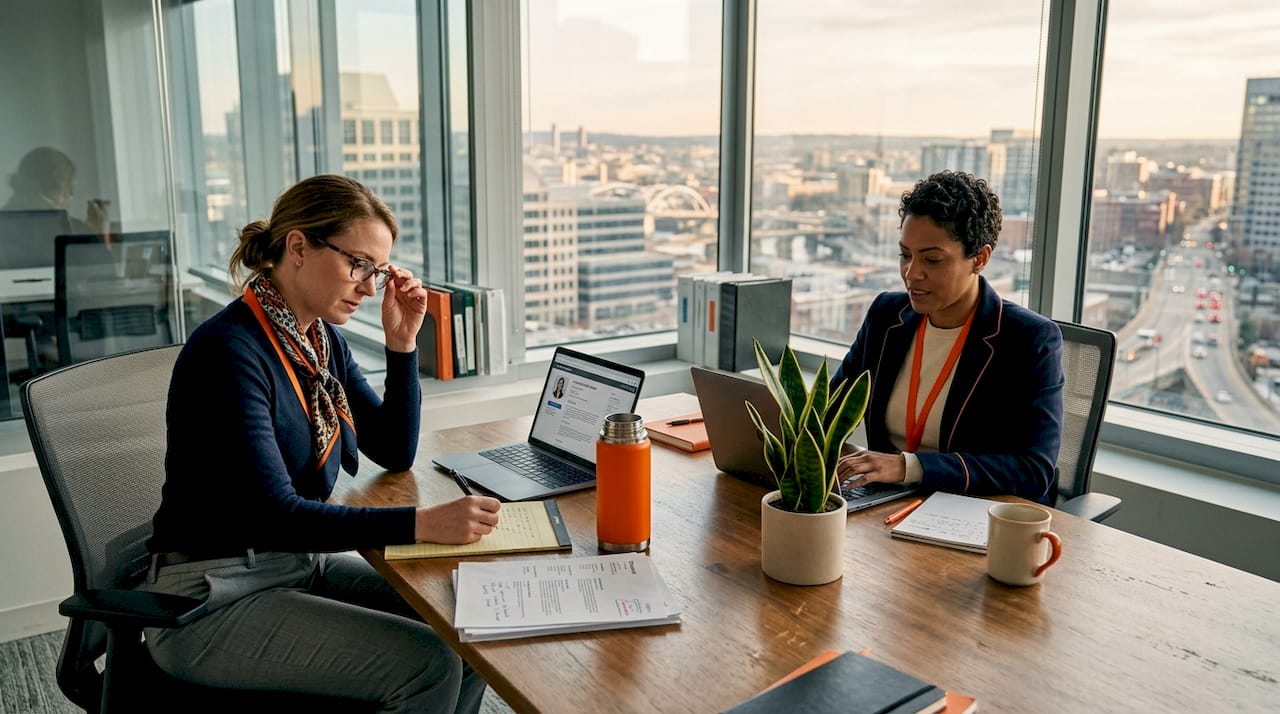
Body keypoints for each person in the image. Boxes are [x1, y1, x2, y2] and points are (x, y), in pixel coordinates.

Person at [142, 174, 500, 712]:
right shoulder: (230, 351)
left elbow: (393, 448)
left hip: (290, 563)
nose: (368, 286)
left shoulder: (316, 339)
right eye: (358, 264)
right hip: (208, 599)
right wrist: (421, 525)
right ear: (298, 246)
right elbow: (277, 514)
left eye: (377, 271)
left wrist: (402, 346)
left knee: (466, 627)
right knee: (430, 662)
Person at [830, 170, 1064, 505]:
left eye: (932, 259)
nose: (912, 273)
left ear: (979, 259)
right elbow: (829, 410)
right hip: (885, 504)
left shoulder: (1029, 340)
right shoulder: (886, 316)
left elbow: (1033, 469)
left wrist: (908, 467)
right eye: (905, 255)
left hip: (971, 513)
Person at [3, 146, 109, 235]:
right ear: (52, 187)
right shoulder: (65, 228)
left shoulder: (4, 219)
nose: (71, 195)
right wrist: (98, 236)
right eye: (68, 188)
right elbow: (105, 260)